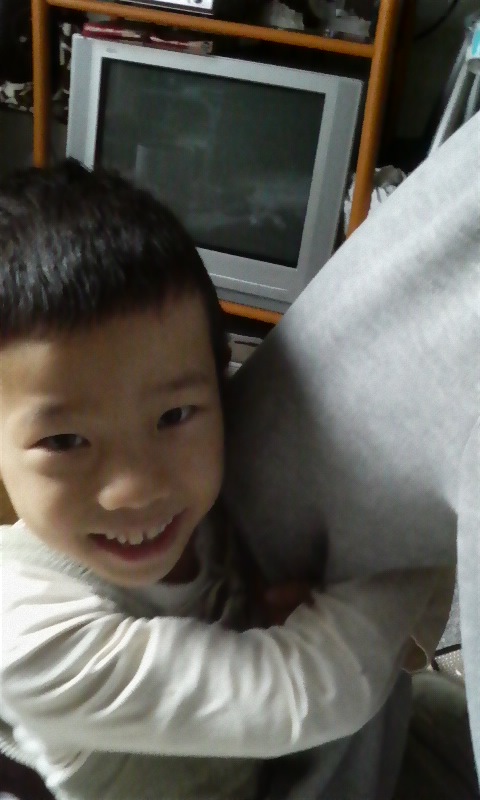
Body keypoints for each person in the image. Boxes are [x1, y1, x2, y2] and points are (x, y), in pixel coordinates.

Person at [0, 160, 453, 800]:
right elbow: (314, 691)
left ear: (224, 389)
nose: (135, 488)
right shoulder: (21, 632)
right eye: (65, 441)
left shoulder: (227, 494)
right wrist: (423, 518)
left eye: (173, 416)